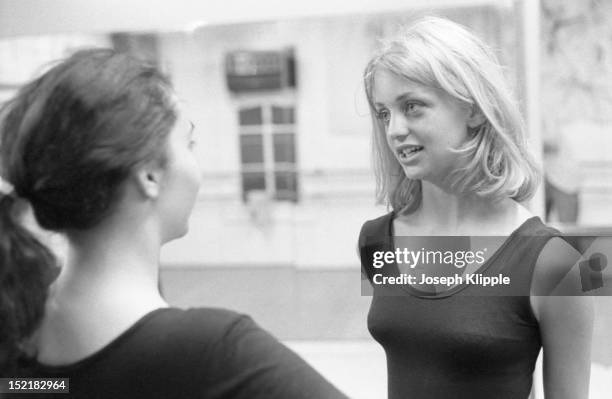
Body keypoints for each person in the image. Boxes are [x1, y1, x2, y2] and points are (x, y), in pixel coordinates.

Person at [0, 49, 348, 399]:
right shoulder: (214, 353)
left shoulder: (17, 333)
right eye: (189, 143)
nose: (197, 165)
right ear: (149, 175)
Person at [358, 17, 593, 399]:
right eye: (384, 113)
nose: (394, 129)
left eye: (413, 107)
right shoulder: (374, 241)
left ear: (474, 110)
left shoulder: (558, 264)